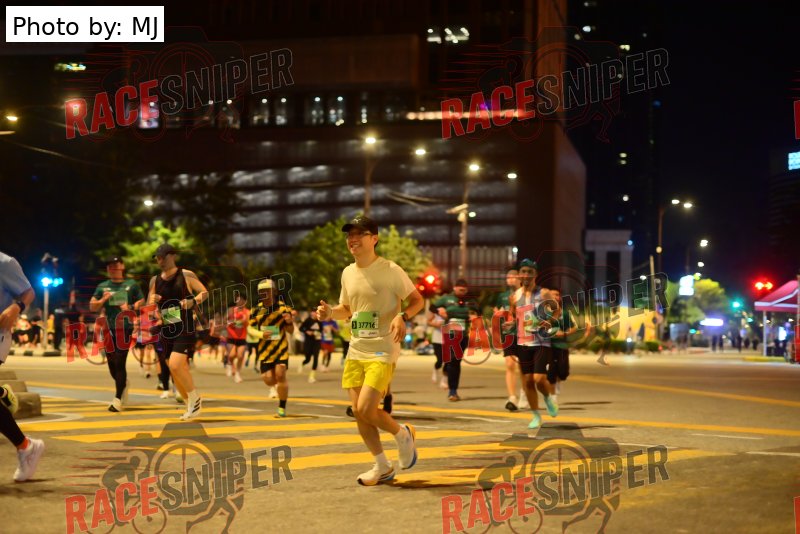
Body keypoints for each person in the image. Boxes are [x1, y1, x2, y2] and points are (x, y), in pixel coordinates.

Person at [317, 215, 423, 486]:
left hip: (382, 350)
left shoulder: (390, 270)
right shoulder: (347, 272)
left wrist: (402, 316)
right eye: (349, 235)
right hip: (357, 349)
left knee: (366, 407)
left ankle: (402, 434)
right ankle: (382, 466)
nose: (352, 239)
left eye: (359, 234)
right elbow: (347, 309)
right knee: (358, 411)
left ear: (374, 238)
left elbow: (417, 300)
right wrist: (329, 312)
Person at [147, 243, 208, 421]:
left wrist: (192, 301)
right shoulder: (155, 280)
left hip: (185, 326)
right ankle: (190, 404)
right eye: (157, 258)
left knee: (175, 365)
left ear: (172, 256)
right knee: (174, 369)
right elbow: (149, 306)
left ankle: (195, 400)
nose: (160, 261)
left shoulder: (186, 274)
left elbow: (204, 293)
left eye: (163, 257)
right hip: (167, 326)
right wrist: (152, 301)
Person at [0, 251, 45, 481]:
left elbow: (28, 292)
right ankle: (26, 446)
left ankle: (26, 446)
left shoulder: (4, 263)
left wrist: (16, 307)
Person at [89, 256, 145, 412]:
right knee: (112, 364)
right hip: (108, 328)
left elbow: (142, 302)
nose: (112, 268)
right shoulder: (103, 286)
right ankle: (123, 384)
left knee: (120, 362)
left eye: (115, 265)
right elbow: (92, 306)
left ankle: (117, 399)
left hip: (124, 327)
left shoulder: (131, 285)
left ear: (122, 266)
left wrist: (129, 307)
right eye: (109, 266)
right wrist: (102, 300)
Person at [508, 258, 558, 429]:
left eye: (530, 272)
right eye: (523, 271)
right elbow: (513, 316)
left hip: (542, 341)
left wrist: (549, 321)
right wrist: (510, 324)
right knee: (528, 381)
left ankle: (548, 398)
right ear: (519, 275)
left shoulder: (544, 293)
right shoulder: (515, 296)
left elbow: (557, 310)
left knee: (539, 378)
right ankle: (536, 415)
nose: (526, 275)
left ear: (536, 274)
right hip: (523, 342)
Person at [248, 279, 295, 417]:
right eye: (261, 291)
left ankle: (282, 408)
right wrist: (261, 334)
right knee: (268, 379)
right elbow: (249, 328)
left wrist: (289, 322)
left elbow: (291, 331)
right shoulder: (256, 310)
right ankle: (277, 387)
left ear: (274, 291)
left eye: (267, 291)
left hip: (281, 348)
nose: (264, 294)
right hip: (265, 350)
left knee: (280, 375)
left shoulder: (284, 308)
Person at [433, 278, 477, 401]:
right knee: (452, 360)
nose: (462, 292)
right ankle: (452, 391)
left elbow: (478, 312)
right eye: (460, 290)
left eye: (464, 290)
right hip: (450, 334)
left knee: (456, 362)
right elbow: (432, 307)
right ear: (455, 288)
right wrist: (439, 311)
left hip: (463, 335)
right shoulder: (447, 299)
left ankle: (453, 390)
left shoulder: (470, 301)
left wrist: (474, 316)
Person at [494, 266, 522, 411]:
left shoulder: (526, 294)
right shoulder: (502, 296)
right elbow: (497, 312)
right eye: (508, 277)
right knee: (510, 364)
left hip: (524, 334)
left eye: (513, 277)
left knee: (524, 366)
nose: (510, 279)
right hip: (509, 334)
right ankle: (512, 397)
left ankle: (525, 392)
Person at [545, 288, 576, 398]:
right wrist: (550, 332)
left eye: (557, 295)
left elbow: (573, 327)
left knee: (563, 372)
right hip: (548, 346)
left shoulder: (565, 313)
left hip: (562, 345)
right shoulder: (543, 313)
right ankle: (552, 396)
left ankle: (558, 382)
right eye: (552, 295)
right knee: (550, 372)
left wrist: (564, 333)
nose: (555, 297)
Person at [225, 292, 250, 383]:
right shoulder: (231, 310)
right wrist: (232, 322)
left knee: (240, 355)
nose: (238, 302)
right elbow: (225, 320)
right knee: (232, 355)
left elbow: (249, 322)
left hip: (242, 337)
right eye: (237, 300)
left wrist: (244, 321)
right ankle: (230, 365)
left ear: (244, 301)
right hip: (231, 336)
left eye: (241, 300)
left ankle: (238, 373)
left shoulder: (247, 312)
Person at [427, 305, 447, 388]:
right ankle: (435, 370)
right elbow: (428, 322)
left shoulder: (451, 310)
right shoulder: (437, 310)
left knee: (448, 361)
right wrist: (435, 324)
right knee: (440, 360)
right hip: (437, 340)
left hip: (448, 340)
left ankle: (444, 380)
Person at [299, 309, 322, 383]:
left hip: (317, 341)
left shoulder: (319, 321)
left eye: (316, 312)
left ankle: (312, 376)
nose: (315, 314)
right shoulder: (308, 320)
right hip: (308, 341)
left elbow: (321, 330)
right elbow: (301, 328)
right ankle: (302, 364)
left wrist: (316, 333)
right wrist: (307, 331)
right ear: (311, 313)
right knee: (308, 358)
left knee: (316, 357)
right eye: (314, 312)